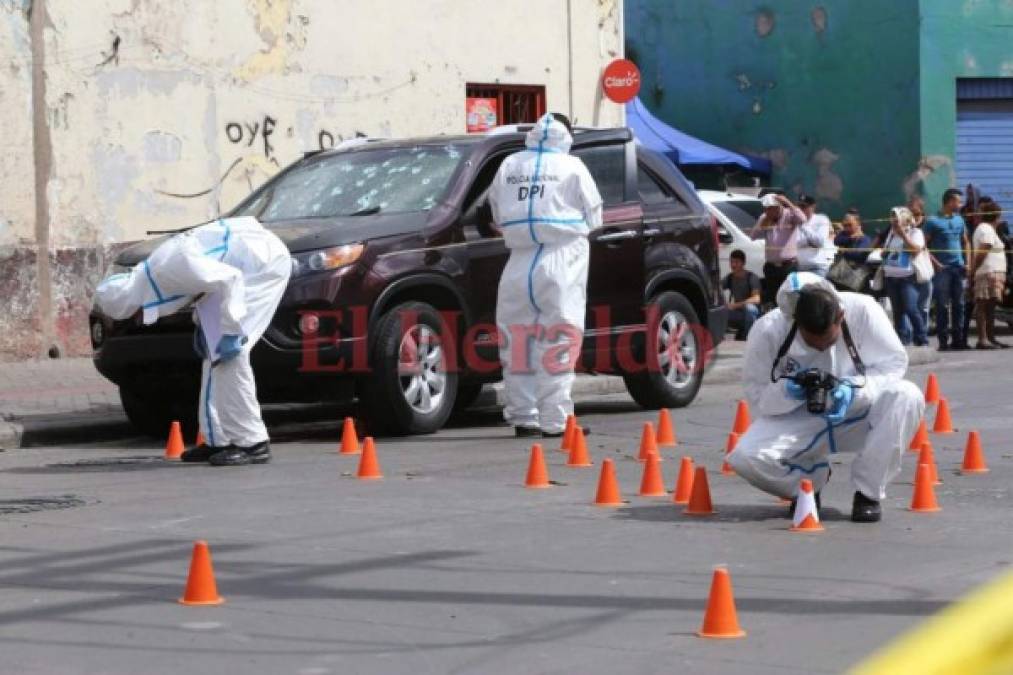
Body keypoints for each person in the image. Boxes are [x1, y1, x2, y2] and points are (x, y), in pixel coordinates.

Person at [93, 216, 291, 465]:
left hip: (262, 266)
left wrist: (231, 330)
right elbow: (202, 287)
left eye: (135, 313)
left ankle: (252, 443)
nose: (140, 318)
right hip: (241, 268)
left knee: (233, 357)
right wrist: (202, 324)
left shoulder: (169, 268)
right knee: (213, 354)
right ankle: (216, 439)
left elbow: (230, 280)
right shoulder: (156, 273)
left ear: (132, 301)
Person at [728, 273, 924, 523]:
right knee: (744, 458)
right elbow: (757, 396)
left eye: (827, 341)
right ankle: (809, 481)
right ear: (796, 323)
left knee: (907, 396)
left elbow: (894, 364)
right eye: (813, 343)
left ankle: (868, 492)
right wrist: (788, 391)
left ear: (840, 316)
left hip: (854, 409)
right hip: (798, 417)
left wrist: (854, 389)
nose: (821, 347)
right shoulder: (768, 330)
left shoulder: (863, 310)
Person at [489, 112, 603, 438]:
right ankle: (555, 421)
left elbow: (495, 210)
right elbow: (594, 214)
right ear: (567, 136)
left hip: (518, 260)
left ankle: (524, 417)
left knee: (516, 339)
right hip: (562, 256)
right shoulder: (573, 166)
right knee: (560, 337)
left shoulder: (510, 164)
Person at [923, 189, 971, 351]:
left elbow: (965, 242)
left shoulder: (959, 220)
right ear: (949, 202)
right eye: (958, 201)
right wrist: (936, 263)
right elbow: (923, 246)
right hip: (942, 269)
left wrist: (967, 262)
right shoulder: (932, 221)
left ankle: (958, 340)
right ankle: (943, 341)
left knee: (960, 304)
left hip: (958, 268)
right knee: (942, 305)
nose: (960, 204)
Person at [882, 207, 928, 346]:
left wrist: (903, 235)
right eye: (893, 218)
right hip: (891, 277)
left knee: (911, 308)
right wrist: (885, 253)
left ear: (905, 219)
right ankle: (902, 340)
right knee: (898, 311)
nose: (894, 221)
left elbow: (915, 251)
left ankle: (921, 339)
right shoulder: (891, 233)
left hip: (908, 278)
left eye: (897, 218)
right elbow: (886, 251)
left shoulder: (915, 232)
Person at [749, 193, 806, 307]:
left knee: (789, 296)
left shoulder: (789, 215)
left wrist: (788, 203)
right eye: (765, 209)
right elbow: (752, 236)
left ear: (778, 207)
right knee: (773, 297)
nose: (767, 211)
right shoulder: (764, 218)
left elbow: (802, 219)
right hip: (771, 267)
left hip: (788, 266)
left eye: (770, 208)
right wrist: (762, 224)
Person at [970, 200, 1009, 349]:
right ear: (995, 216)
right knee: (983, 305)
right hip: (988, 272)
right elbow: (983, 250)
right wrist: (973, 270)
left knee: (990, 307)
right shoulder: (985, 228)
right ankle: (983, 339)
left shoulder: (989, 229)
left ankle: (991, 337)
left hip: (992, 272)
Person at [722, 249, 762, 340]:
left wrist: (736, 305)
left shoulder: (751, 278)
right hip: (738, 314)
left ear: (743, 263)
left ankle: (748, 338)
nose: (733, 265)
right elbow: (716, 289)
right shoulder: (729, 278)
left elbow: (756, 299)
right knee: (719, 311)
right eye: (731, 262)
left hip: (752, 314)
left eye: (736, 262)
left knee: (750, 308)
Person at [908, 196, 933, 332]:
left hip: (925, 266)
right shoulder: (903, 225)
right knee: (911, 305)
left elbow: (926, 247)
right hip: (908, 269)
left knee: (924, 304)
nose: (911, 210)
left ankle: (922, 332)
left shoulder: (927, 224)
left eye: (914, 207)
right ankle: (912, 332)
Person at [796, 195, 836, 278]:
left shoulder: (821, 219)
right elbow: (795, 243)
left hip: (817, 268)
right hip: (799, 269)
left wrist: (803, 224)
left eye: (804, 206)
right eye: (799, 206)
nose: (801, 209)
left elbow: (819, 242)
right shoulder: (796, 221)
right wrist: (809, 242)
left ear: (813, 207)